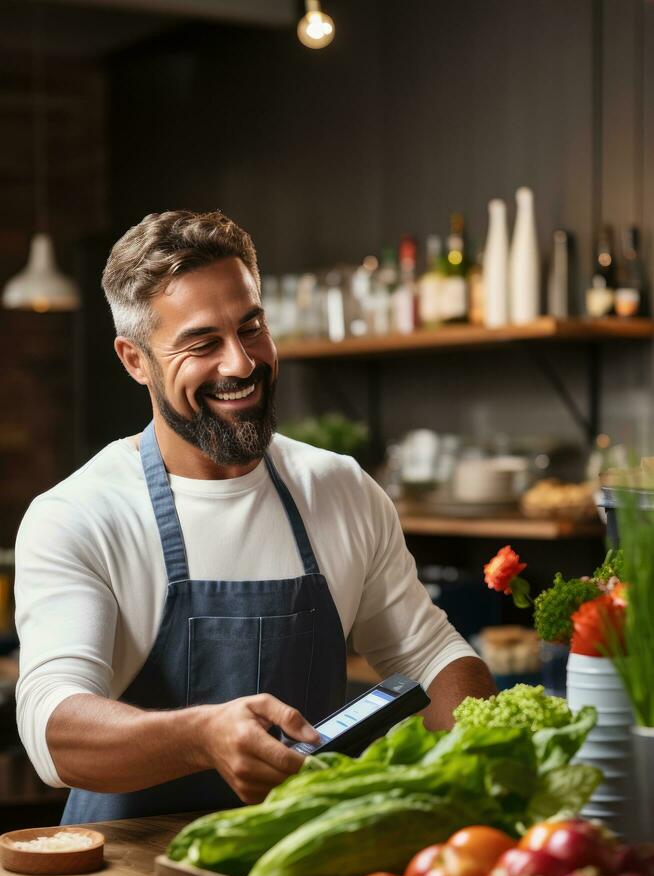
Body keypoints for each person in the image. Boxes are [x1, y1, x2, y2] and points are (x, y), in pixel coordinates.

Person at [14, 210, 495, 824]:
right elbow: (52, 727)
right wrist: (201, 737)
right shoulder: (80, 515)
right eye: (202, 343)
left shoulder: (339, 489)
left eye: (251, 328)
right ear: (135, 360)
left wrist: (485, 761)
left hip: (299, 866)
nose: (241, 364)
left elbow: (432, 661)